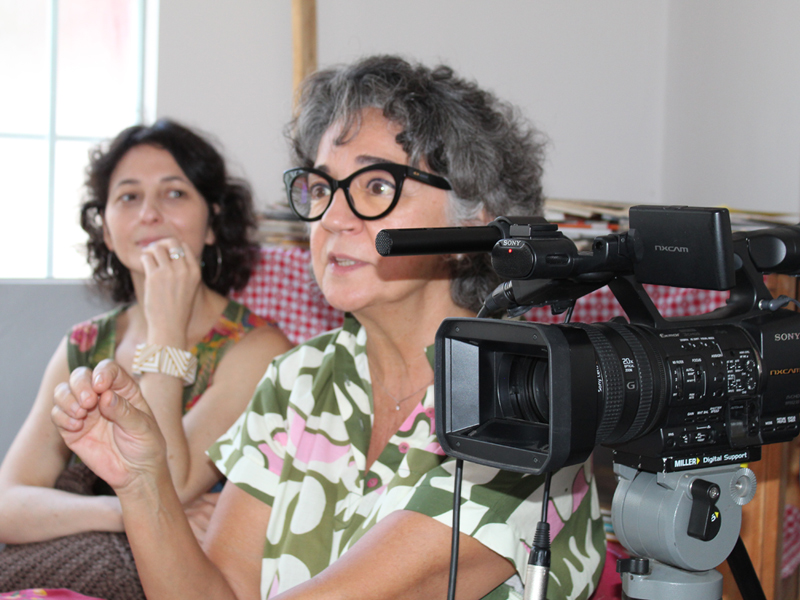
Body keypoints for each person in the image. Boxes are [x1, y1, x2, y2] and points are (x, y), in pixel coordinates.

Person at [51, 56, 605, 600]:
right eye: (321, 189)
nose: (334, 219)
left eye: (376, 187)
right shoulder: (297, 378)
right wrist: (142, 483)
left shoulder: (529, 394)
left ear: (477, 222)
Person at [0, 119, 293, 598]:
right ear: (108, 233)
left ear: (213, 222)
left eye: (174, 194)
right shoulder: (86, 341)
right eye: (129, 197)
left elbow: (169, 485)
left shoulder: (258, 349)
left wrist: (165, 330)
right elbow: (8, 504)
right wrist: (115, 515)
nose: (150, 214)